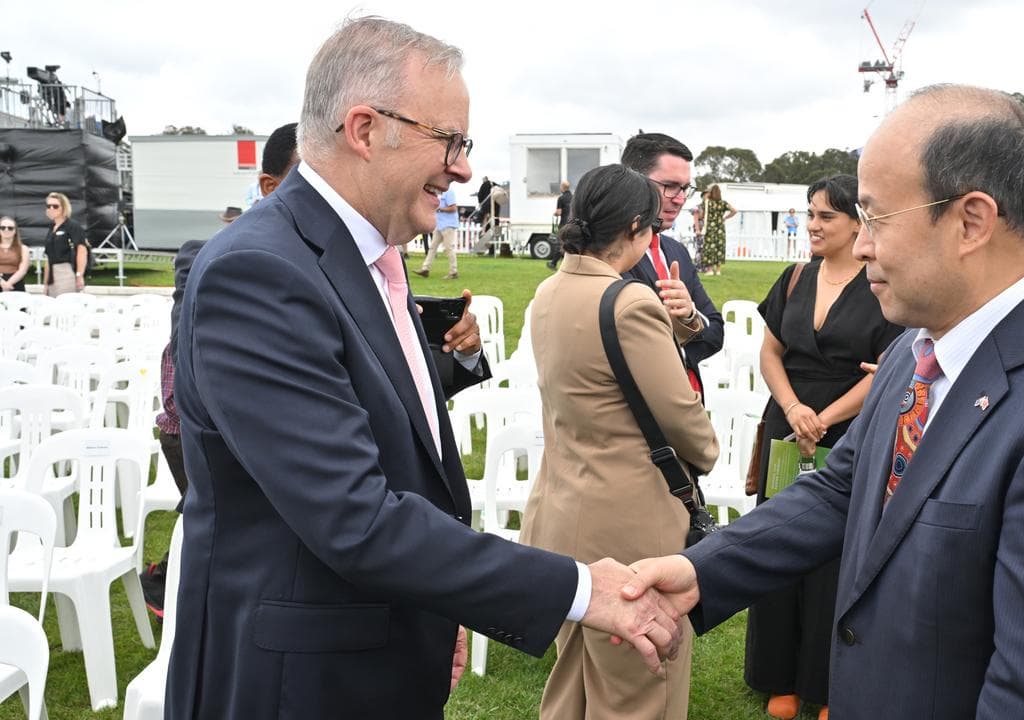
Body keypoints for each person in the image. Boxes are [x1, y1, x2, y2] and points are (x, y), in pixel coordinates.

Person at [167, 18, 683, 719]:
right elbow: (353, 516)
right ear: (364, 128)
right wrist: (582, 590)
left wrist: (435, 609)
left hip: (379, 642)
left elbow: (391, 434)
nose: (465, 167)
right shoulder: (261, 271)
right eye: (451, 141)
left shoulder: (365, 255)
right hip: (300, 682)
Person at [624, 85, 1024, 719]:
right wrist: (702, 571)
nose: (861, 246)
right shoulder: (918, 344)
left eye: (877, 218)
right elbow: (844, 488)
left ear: (971, 220)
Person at [520, 163, 719, 720]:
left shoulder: (549, 291)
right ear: (634, 227)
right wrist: (707, 451)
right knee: (638, 688)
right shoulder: (629, 302)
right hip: (628, 520)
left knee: (574, 681)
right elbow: (682, 418)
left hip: (559, 507)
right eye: (651, 226)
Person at [747, 174, 903, 720]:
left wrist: (826, 419)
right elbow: (769, 353)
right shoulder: (793, 278)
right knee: (774, 542)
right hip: (786, 427)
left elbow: (888, 369)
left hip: (850, 431)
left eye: (825, 216)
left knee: (838, 556)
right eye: (809, 214)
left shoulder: (884, 282)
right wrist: (793, 410)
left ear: (858, 223)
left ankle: (829, 682)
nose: (812, 225)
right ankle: (777, 677)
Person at [142, 121, 302, 619]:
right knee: (227, 527)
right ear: (269, 186)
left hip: (246, 426)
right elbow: (191, 353)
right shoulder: (214, 255)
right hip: (196, 425)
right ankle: (169, 588)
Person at [619, 132, 725, 394]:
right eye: (669, 186)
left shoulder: (675, 251)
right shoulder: (610, 255)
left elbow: (716, 333)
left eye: (684, 188)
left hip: (687, 402)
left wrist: (689, 316)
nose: (679, 198)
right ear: (633, 182)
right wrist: (682, 331)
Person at [41, 192, 88, 296]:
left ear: (64, 207)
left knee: (66, 306)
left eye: (55, 206)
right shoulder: (51, 228)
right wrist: (45, 284)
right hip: (52, 273)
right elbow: (48, 258)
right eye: (49, 206)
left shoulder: (72, 226)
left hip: (66, 271)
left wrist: (79, 275)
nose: (51, 208)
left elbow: (82, 251)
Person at [416, 185, 459, 279]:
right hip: (439, 224)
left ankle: (454, 271)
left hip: (448, 224)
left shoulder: (449, 192)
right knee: (432, 248)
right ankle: (425, 269)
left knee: (448, 248)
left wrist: (439, 209)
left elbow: (453, 208)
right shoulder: (438, 194)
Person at [700, 184, 736, 275]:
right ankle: (719, 270)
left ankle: (710, 270)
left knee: (709, 247)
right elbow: (734, 210)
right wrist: (725, 218)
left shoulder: (707, 202)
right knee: (719, 248)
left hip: (710, 228)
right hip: (720, 228)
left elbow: (702, 215)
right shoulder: (723, 203)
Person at [0, 216, 31, 292]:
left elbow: (23, 270)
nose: (6, 230)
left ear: (15, 231)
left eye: (10, 228)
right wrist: (2, 283)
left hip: (16, 283)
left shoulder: (24, 249)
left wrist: (8, 284)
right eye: (3, 227)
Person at [546, 179, 572, 269]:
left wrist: (555, 214)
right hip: (572, 224)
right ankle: (567, 264)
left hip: (564, 223)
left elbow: (559, 212)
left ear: (562, 188)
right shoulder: (573, 197)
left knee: (560, 244)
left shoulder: (561, 198)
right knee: (569, 244)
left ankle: (553, 263)